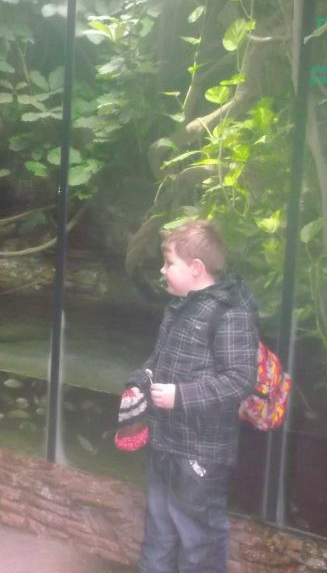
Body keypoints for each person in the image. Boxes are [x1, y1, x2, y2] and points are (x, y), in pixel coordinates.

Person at [128, 219, 259, 573]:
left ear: (196, 268)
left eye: (169, 262)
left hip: (200, 454)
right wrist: (139, 382)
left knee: (199, 542)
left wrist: (180, 397)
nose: (162, 270)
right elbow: (159, 360)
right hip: (164, 441)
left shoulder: (231, 313)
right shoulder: (180, 306)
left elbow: (240, 380)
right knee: (158, 533)